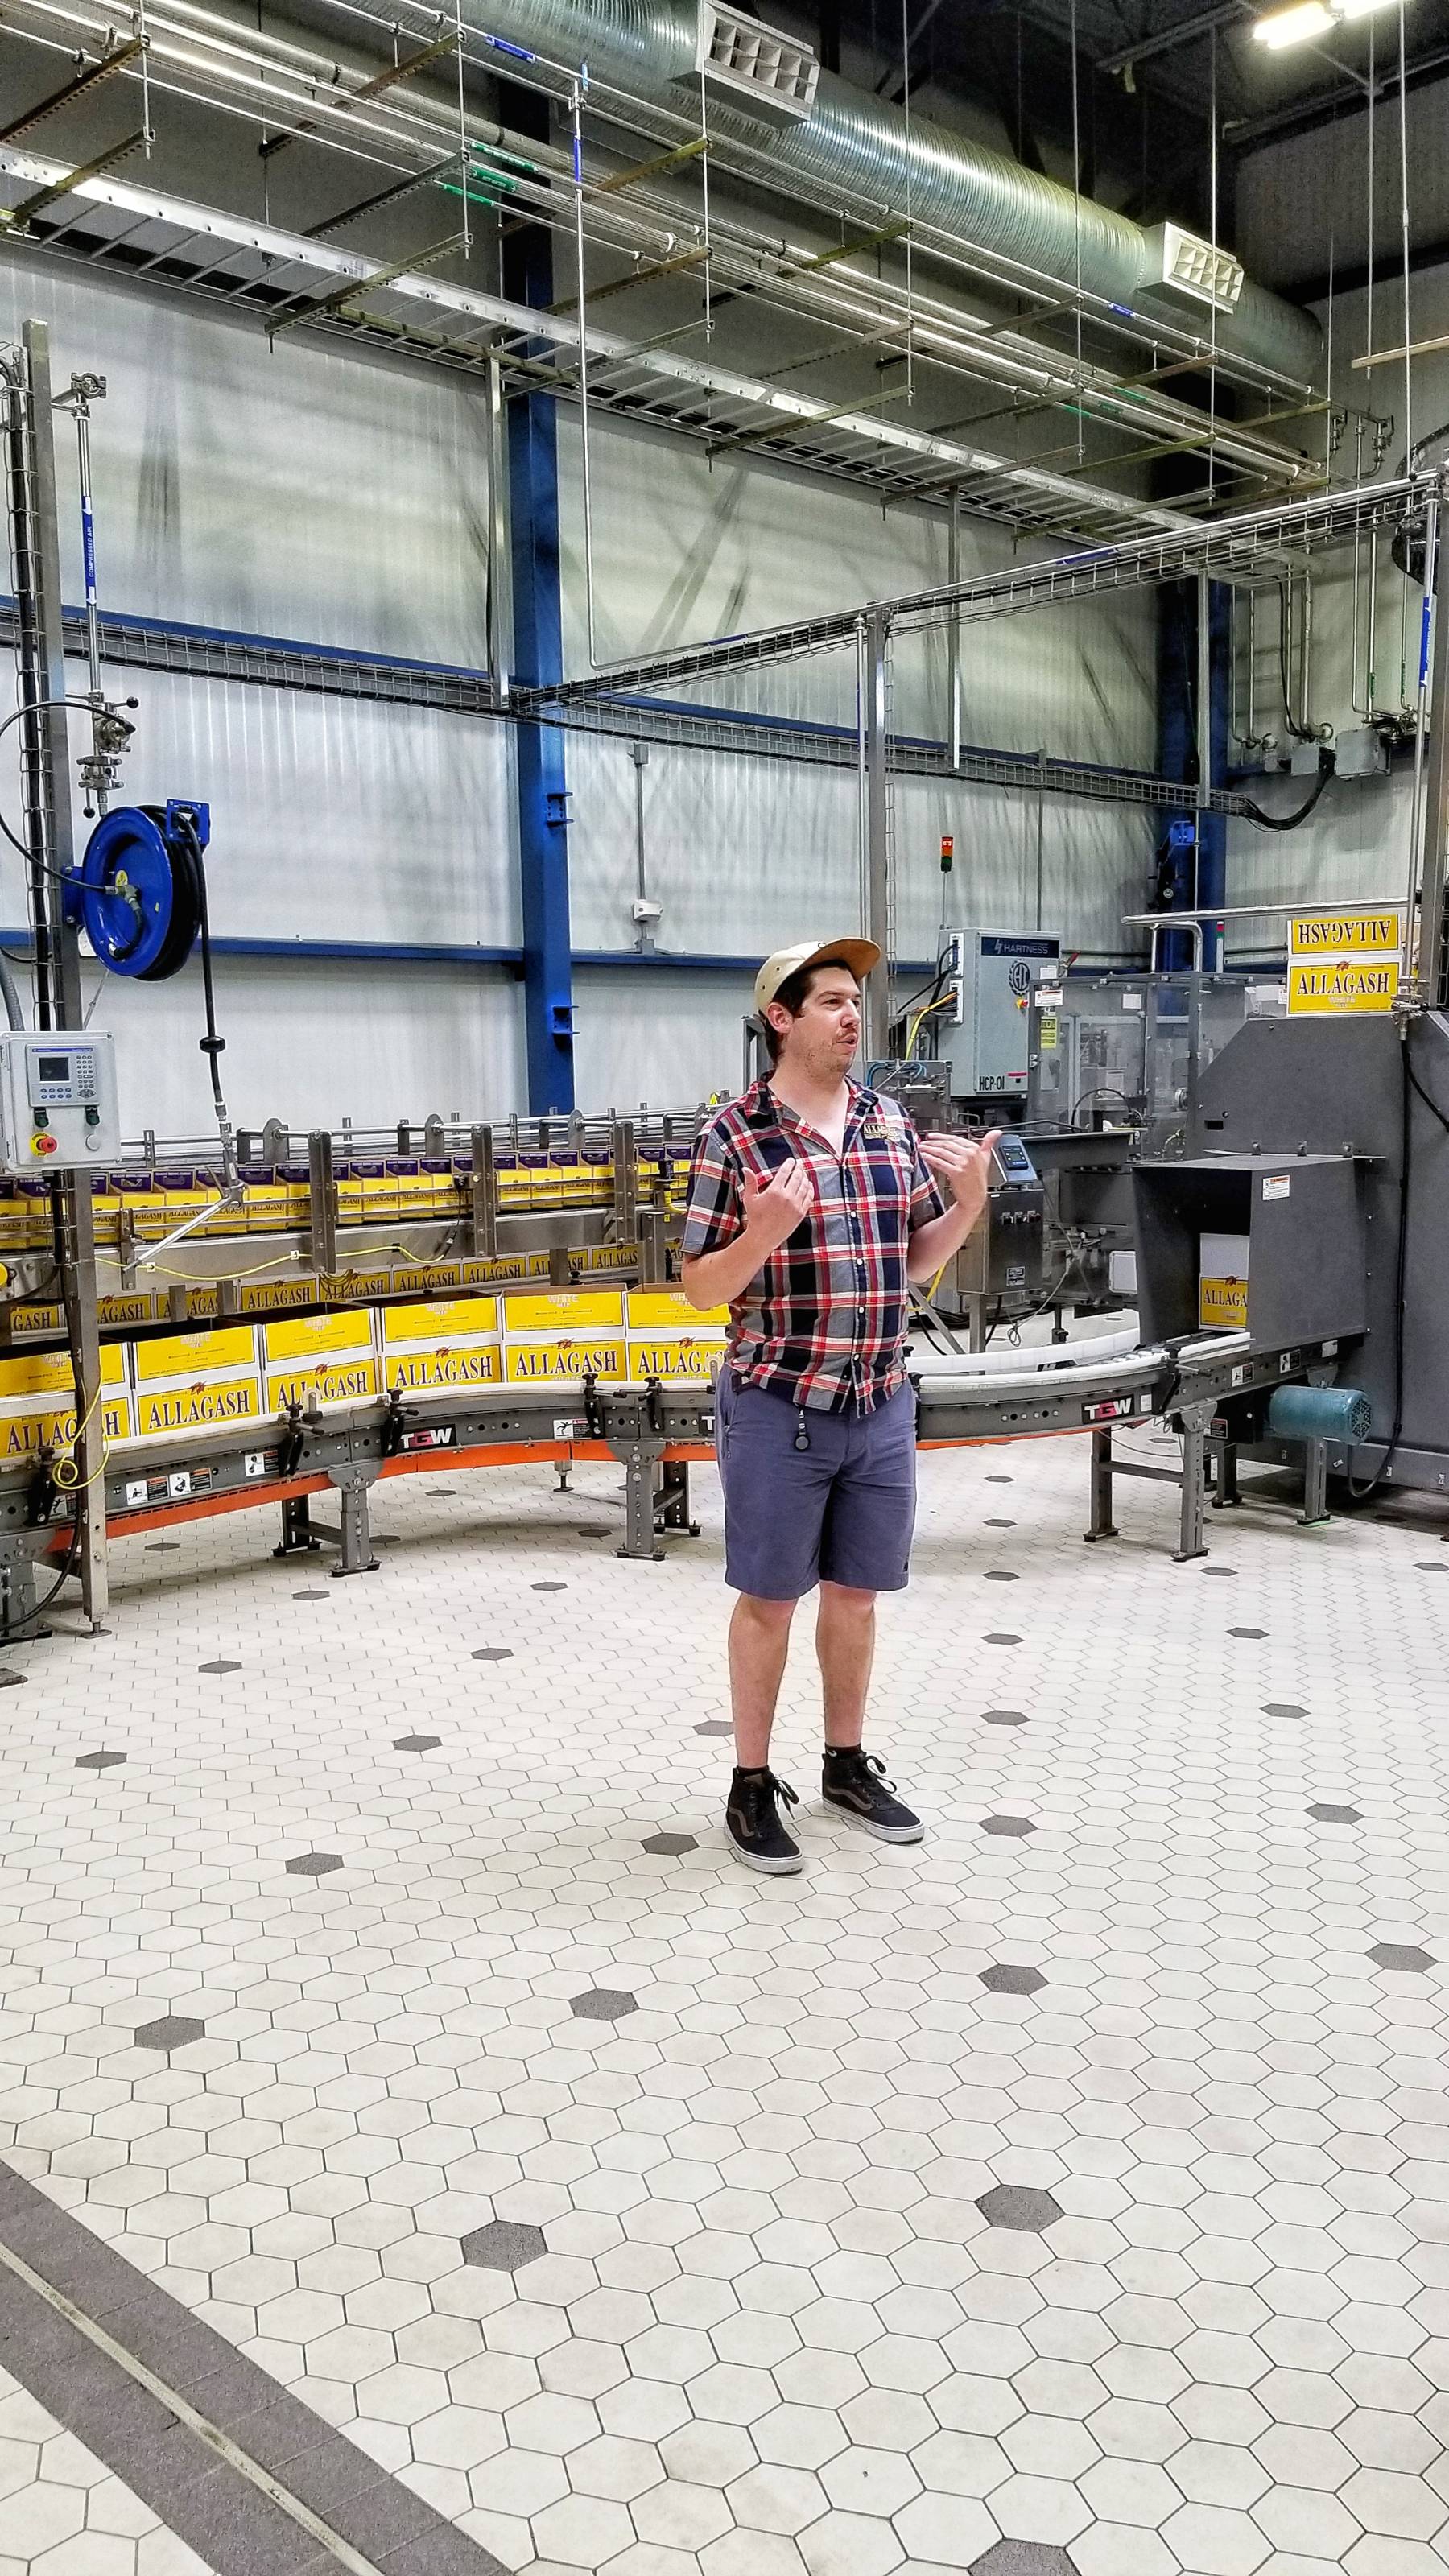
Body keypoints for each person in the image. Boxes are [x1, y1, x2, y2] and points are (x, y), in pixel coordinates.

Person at [680, 937, 1000, 1873]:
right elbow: (700, 1288)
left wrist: (968, 1203)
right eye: (830, 1000)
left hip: (881, 1400)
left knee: (857, 1595)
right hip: (780, 1406)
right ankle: (749, 1782)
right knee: (771, 1598)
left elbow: (912, 1262)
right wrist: (763, 1232)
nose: (853, 1013)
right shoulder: (734, 1136)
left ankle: (845, 1763)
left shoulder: (886, 1121)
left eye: (856, 998)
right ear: (781, 1018)